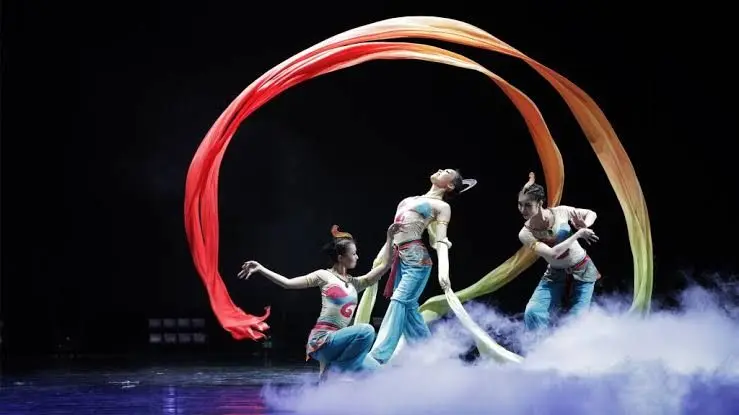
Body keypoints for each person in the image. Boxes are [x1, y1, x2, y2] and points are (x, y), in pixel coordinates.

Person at [237, 223, 402, 379]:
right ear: (341, 257)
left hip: (341, 343)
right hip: (323, 341)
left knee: (380, 373)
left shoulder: (355, 284)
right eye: (353, 254)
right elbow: (287, 283)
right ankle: (335, 370)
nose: (357, 257)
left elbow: (384, 266)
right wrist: (261, 269)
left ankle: (330, 381)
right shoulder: (324, 276)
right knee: (366, 331)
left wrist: (389, 238)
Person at [364, 168, 478, 364]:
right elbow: (394, 235)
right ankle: (430, 357)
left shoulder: (442, 206)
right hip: (400, 258)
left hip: (418, 262)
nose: (440, 169)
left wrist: (444, 271)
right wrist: (380, 258)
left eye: (446, 171)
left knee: (398, 302)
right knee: (409, 310)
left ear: (450, 185)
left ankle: (377, 356)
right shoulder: (407, 200)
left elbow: (441, 241)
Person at [517, 172, 601, 331]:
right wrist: (578, 234)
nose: (522, 209)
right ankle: (541, 344)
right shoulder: (525, 234)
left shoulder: (560, 211)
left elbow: (591, 213)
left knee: (576, 323)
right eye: (520, 204)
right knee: (533, 312)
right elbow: (553, 254)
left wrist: (585, 225)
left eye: (528, 205)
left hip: (583, 271)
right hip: (555, 275)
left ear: (540, 203)